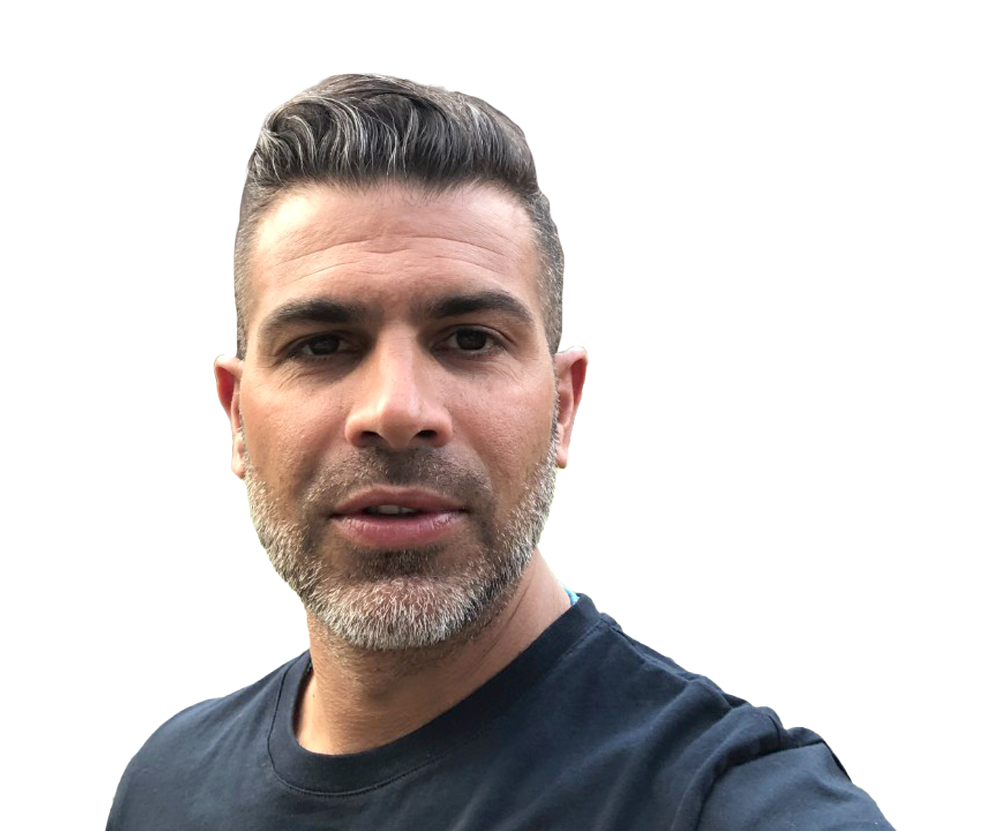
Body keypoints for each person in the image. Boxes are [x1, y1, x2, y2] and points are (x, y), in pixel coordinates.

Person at [107, 74, 892, 831]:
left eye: (470, 339)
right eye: (322, 345)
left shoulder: (730, 805)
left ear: (563, 407)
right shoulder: (168, 790)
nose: (396, 410)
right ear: (237, 417)